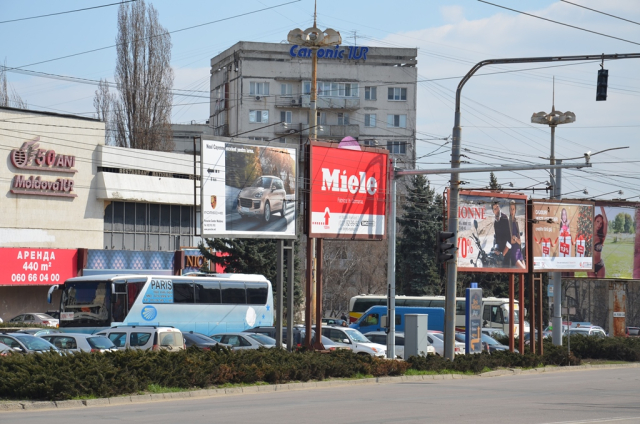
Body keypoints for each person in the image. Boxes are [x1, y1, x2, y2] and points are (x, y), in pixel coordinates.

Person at [588, 206, 608, 278]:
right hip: (590, 266)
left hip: (600, 265)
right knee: (592, 287)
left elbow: (606, 222)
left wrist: (601, 206)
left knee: (601, 287)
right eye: (597, 221)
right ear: (594, 221)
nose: (599, 224)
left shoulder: (601, 237)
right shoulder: (588, 234)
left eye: (601, 223)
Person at [508, 200, 526, 269]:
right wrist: (515, 239)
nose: (512, 211)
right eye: (511, 209)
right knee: (522, 268)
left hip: (519, 251)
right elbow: (510, 241)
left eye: (513, 209)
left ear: (515, 210)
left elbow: (519, 241)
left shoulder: (516, 222)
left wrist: (515, 238)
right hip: (513, 251)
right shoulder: (508, 222)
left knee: (525, 268)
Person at [492, 201, 511, 266]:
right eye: (495, 209)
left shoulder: (504, 218)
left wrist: (503, 254)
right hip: (500, 252)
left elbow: (509, 237)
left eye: (497, 207)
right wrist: (496, 248)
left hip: (507, 252)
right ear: (493, 211)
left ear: (499, 207)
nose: (497, 210)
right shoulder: (495, 223)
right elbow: (497, 237)